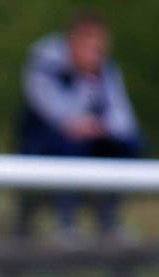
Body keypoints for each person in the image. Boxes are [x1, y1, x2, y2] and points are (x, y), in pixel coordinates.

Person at [15, 10, 144, 240]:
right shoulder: (44, 59)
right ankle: (65, 223)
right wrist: (82, 96)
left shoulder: (105, 67)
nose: (95, 50)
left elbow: (124, 119)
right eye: (88, 42)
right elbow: (48, 107)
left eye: (99, 43)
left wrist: (103, 127)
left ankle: (108, 219)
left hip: (88, 141)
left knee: (130, 144)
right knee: (70, 143)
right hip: (43, 142)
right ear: (71, 39)